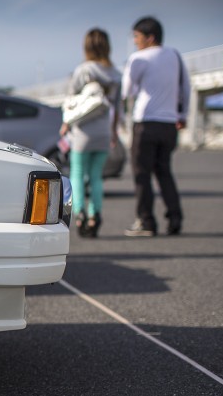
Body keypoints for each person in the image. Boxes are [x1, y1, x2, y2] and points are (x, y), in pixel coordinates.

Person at [122, 16, 190, 236]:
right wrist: (183, 114)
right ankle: (175, 218)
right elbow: (185, 88)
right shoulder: (175, 55)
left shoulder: (138, 58)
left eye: (137, 36)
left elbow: (127, 91)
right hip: (170, 124)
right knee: (164, 172)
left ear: (150, 38)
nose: (135, 41)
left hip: (145, 123)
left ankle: (147, 222)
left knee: (142, 174)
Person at [60, 28, 121, 238]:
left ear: (86, 47)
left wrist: (66, 123)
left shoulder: (84, 71)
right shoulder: (115, 74)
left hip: (83, 132)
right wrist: (114, 132)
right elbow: (117, 108)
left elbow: (71, 101)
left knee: (77, 173)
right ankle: (96, 214)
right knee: (96, 176)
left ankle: (80, 214)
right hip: (104, 131)